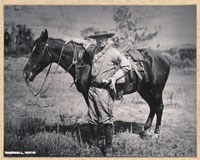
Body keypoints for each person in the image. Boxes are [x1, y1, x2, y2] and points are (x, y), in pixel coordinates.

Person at [87, 31, 131, 156]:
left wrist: (114, 78)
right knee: (92, 117)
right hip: (92, 88)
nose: (100, 40)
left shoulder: (113, 52)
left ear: (107, 39)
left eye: (102, 38)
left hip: (104, 90)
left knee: (106, 119)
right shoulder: (95, 50)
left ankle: (108, 148)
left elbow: (127, 66)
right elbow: (83, 44)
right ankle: (94, 143)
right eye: (97, 39)